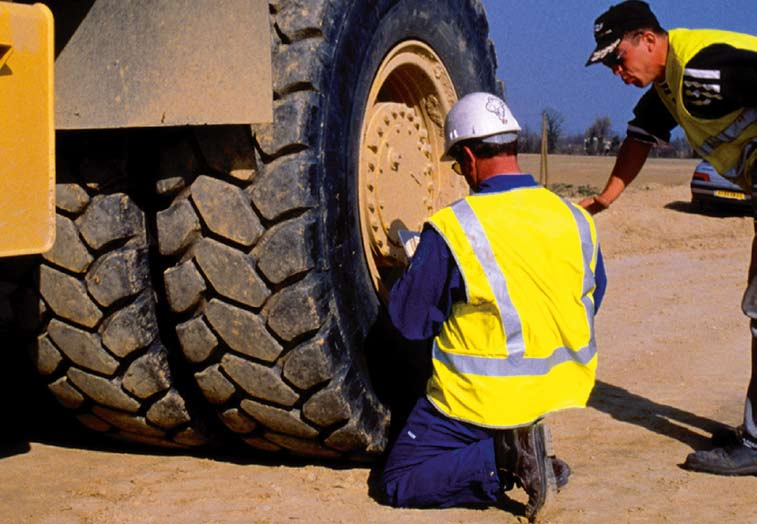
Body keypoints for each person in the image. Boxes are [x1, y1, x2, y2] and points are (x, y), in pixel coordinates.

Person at [381, 92, 607, 521]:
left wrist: (420, 267)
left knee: (401, 477)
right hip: (554, 393)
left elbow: (410, 322)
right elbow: (591, 296)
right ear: (513, 147)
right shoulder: (576, 218)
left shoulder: (455, 227)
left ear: (468, 156)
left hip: (479, 400)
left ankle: (509, 456)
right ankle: (533, 454)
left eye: (458, 164)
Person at [583, 0, 757, 475]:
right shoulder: (670, 84)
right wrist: (607, 198)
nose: (618, 72)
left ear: (647, 40)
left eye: (618, 58)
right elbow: (640, 136)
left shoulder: (702, 66)